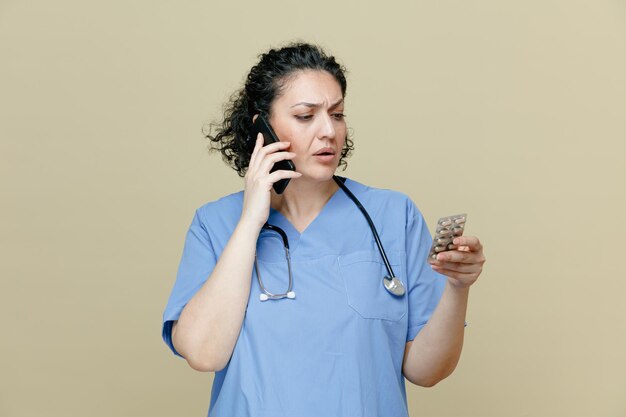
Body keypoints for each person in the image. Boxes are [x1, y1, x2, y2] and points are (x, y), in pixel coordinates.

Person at [162, 42, 486, 417]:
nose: (328, 131)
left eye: (337, 114)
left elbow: (426, 371)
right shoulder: (215, 223)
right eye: (305, 116)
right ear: (262, 128)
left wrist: (458, 287)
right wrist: (251, 219)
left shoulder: (393, 216)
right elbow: (203, 354)